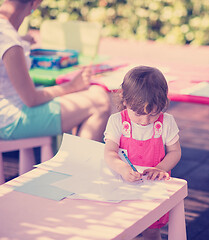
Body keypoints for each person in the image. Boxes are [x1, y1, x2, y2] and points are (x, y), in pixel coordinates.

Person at [0, 0, 111, 142]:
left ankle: (73, 157)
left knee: (96, 92)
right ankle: (79, 163)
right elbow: (31, 99)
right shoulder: (11, 43)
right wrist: (72, 86)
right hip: (10, 120)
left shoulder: (7, 35)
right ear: (34, 4)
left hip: (8, 114)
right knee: (100, 102)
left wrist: (22, 40)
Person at [104, 66, 181, 240]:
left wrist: (161, 168)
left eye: (153, 114)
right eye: (138, 114)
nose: (145, 120)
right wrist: (122, 168)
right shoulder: (117, 122)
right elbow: (109, 152)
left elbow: (175, 152)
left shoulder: (166, 122)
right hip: (123, 185)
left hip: (153, 188)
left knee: (152, 229)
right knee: (121, 227)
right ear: (124, 98)